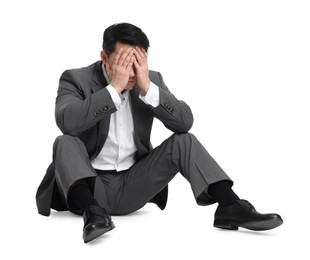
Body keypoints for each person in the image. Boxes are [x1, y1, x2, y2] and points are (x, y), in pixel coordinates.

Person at [36, 22, 283, 243]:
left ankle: (230, 206)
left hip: (133, 185)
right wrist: (113, 89)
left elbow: (185, 123)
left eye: (137, 64)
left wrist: (148, 90)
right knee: (64, 141)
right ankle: (94, 215)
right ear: (104, 57)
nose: (131, 73)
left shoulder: (149, 80)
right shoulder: (75, 79)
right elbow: (66, 122)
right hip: (88, 187)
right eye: (123, 63)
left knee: (184, 141)